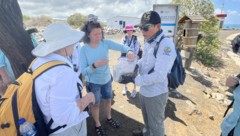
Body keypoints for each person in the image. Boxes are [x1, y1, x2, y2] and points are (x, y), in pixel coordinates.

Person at [31, 23, 95, 136]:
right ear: (63, 45)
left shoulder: (39, 62)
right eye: (72, 41)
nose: (75, 44)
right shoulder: (62, 73)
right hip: (66, 130)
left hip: (48, 124)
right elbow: (64, 117)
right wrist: (88, 98)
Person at [80, 21, 134, 136]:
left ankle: (109, 118)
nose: (99, 36)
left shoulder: (105, 43)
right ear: (88, 35)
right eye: (95, 34)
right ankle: (97, 124)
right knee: (95, 104)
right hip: (93, 82)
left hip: (106, 80)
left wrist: (129, 51)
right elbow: (83, 71)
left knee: (108, 100)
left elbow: (122, 47)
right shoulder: (83, 49)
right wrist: (95, 65)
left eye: (100, 33)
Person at [134, 11, 177, 136]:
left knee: (156, 125)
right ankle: (146, 133)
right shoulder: (149, 40)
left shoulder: (165, 44)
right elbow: (145, 59)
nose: (143, 31)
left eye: (146, 28)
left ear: (158, 26)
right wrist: (136, 65)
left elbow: (159, 75)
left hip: (156, 93)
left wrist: (136, 80)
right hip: (144, 90)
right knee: (147, 120)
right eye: (141, 27)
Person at [121, 24, 141, 98]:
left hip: (134, 60)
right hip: (126, 60)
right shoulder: (123, 39)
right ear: (126, 31)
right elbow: (122, 48)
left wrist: (132, 57)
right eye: (128, 30)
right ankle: (125, 87)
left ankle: (134, 89)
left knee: (134, 75)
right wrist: (127, 56)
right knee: (125, 74)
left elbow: (137, 49)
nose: (129, 32)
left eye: (131, 30)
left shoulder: (136, 39)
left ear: (133, 31)